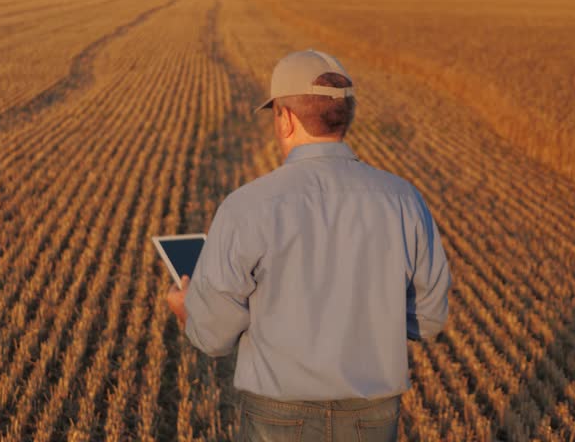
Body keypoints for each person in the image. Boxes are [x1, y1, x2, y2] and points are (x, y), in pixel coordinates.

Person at [167, 49, 452, 441]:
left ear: (285, 118)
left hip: (278, 417)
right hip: (373, 415)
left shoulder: (248, 205)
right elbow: (429, 318)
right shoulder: (404, 199)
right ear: (346, 116)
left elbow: (214, 338)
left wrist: (188, 311)